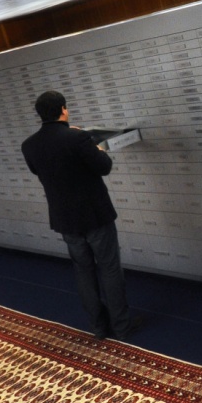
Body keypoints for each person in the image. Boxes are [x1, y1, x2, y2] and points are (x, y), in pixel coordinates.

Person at [21, 90, 137, 340]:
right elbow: (104, 167)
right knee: (109, 269)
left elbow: (39, 170)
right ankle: (121, 327)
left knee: (83, 272)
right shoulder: (78, 137)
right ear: (63, 109)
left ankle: (98, 327)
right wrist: (95, 146)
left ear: (40, 115)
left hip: (65, 220)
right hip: (95, 216)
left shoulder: (29, 145)